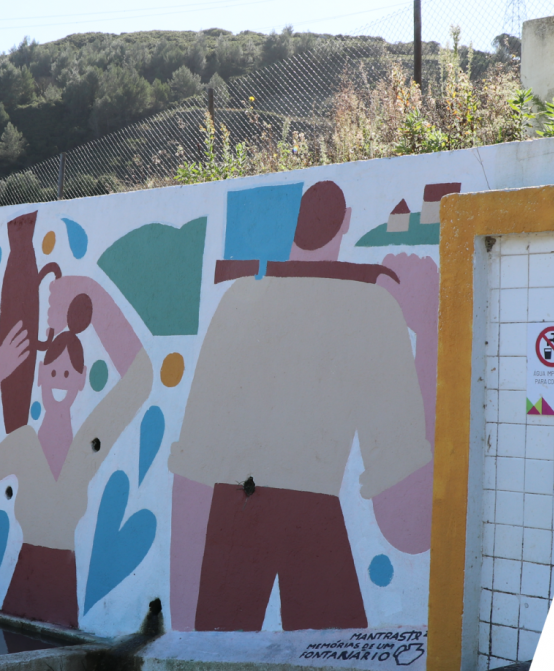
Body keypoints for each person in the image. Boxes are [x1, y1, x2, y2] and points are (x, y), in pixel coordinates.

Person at [168, 180, 433, 631]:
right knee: (335, 655)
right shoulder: (374, 307)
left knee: (220, 647)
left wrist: (180, 632)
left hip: (236, 511)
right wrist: (429, 331)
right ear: (346, 222)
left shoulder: (239, 299)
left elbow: (192, 467)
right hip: (313, 519)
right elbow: (404, 518)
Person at [0, 275, 151, 628]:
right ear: (40, 377)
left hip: (64, 594)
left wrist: (90, 297)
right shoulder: (23, 443)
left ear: (81, 380)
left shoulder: (88, 443)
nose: (60, 379)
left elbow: (140, 378)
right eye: (53, 372)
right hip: (22, 589)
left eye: (69, 373)